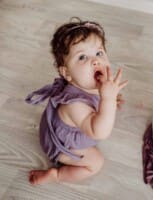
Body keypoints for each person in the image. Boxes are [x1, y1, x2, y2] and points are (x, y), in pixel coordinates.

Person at [25, 17, 128, 185]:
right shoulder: (75, 105)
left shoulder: (89, 81)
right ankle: (57, 175)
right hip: (63, 144)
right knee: (96, 163)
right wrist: (108, 100)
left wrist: (109, 97)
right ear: (66, 73)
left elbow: (98, 97)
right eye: (82, 57)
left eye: (99, 53)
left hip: (77, 126)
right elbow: (99, 132)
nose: (95, 60)